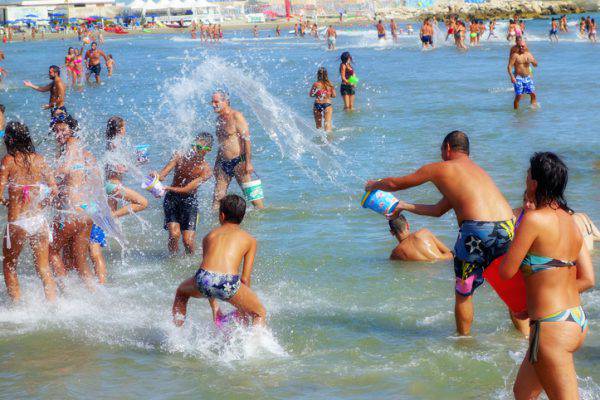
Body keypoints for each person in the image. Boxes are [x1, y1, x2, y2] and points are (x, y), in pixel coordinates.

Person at [365, 131, 516, 336]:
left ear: (447, 148)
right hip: (508, 227)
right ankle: (522, 338)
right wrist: (403, 206)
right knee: (511, 289)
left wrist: (374, 185)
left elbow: (395, 183)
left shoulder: (441, 168)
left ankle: (464, 343)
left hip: (476, 231)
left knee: (465, 291)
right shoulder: (478, 172)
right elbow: (438, 210)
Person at [499, 152, 594, 399]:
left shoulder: (533, 220)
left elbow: (506, 271)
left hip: (551, 328)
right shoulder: (571, 221)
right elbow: (588, 279)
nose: (526, 177)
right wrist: (539, 302)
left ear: (535, 182)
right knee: (523, 393)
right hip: (574, 320)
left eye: (528, 174)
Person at [172, 194, 266, 327]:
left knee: (181, 292)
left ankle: (176, 336)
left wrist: (214, 307)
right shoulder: (250, 240)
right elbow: (245, 279)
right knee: (259, 313)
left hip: (203, 279)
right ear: (242, 217)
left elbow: (208, 273)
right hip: (228, 282)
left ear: (221, 215)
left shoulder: (209, 236)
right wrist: (242, 308)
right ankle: (255, 345)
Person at [0, 122, 58, 302]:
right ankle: (53, 305)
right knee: (43, 268)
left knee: (9, 264)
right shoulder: (39, 159)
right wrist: (43, 204)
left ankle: (17, 306)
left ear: (9, 139)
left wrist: (6, 202)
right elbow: (54, 189)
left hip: (17, 222)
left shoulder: (9, 160)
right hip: (38, 221)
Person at [88, 117, 148, 283]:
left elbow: (111, 163)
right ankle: (110, 217)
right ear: (120, 129)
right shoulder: (115, 143)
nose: (125, 129)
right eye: (124, 127)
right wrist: (127, 166)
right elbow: (113, 164)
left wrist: (130, 165)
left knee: (103, 229)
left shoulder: (111, 142)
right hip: (112, 186)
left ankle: (106, 220)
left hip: (109, 186)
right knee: (143, 203)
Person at [49, 115, 99, 289]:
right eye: (55, 130)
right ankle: (95, 295)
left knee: (50, 251)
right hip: (86, 212)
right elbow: (96, 180)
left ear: (72, 130)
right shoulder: (86, 153)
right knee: (80, 262)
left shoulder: (71, 143)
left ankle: (66, 295)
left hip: (71, 214)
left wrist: (47, 179)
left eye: (62, 129)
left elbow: (66, 168)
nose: (58, 134)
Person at [153, 133, 213, 255]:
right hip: (172, 199)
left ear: (208, 150)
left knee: (188, 241)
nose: (195, 150)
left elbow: (187, 189)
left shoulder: (206, 170)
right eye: (195, 146)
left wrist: (167, 188)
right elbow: (162, 174)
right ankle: (172, 260)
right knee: (174, 235)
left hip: (189, 201)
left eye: (200, 148)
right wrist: (155, 177)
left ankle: (191, 264)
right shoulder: (179, 156)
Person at [211, 91, 265, 210]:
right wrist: (216, 163)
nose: (213, 105)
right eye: (212, 102)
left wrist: (248, 162)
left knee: (252, 196)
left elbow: (247, 139)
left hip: (239, 162)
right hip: (223, 164)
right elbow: (222, 144)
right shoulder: (218, 120)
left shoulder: (236, 116)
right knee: (217, 197)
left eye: (216, 102)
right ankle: (217, 225)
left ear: (226, 102)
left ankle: (263, 216)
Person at [388, 215, 453, 262]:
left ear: (392, 232)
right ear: (407, 225)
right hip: (447, 262)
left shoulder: (396, 253)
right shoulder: (424, 233)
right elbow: (449, 252)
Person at [508, 36, 538, 109]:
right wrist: (512, 77)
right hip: (518, 77)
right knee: (519, 96)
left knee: (533, 94)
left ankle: (533, 107)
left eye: (523, 46)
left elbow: (535, 65)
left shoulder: (529, 54)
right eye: (520, 46)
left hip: (527, 77)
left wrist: (532, 61)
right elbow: (509, 66)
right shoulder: (515, 55)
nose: (521, 48)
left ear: (525, 46)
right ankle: (515, 111)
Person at [310, 67, 336, 132]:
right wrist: (328, 94)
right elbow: (334, 95)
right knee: (327, 123)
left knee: (318, 126)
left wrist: (318, 93)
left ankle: (320, 139)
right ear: (326, 74)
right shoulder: (330, 84)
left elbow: (311, 94)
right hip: (327, 104)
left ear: (318, 75)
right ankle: (329, 139)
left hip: (317, 104)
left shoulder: (316, 84)